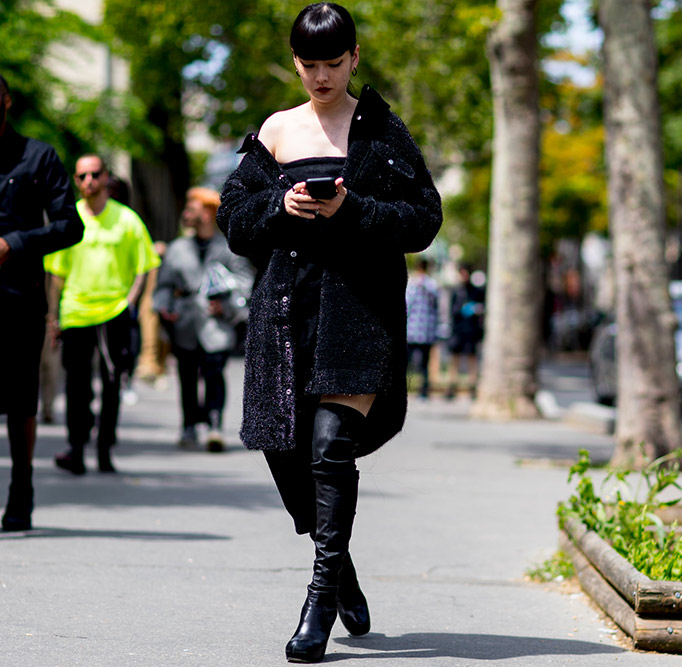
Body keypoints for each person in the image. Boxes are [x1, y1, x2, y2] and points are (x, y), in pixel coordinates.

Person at [217, 3, 441, 662]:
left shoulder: (381, 131)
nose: (320, 76)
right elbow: (235, 221)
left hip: (360, 312)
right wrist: (278, 207)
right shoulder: (277, 130)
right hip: (285, 313)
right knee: (285, 453)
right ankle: (340, 567)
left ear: (355, 58)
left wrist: (353, 209)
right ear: (296, 63)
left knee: (328, 450)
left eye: (332, 63)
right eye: (309, 64)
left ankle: (318, 598)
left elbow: (423, 218)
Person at [0, 73, 84, 531]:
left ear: (7, 101)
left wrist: (15, 242)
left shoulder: (39, 156)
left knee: (19, 401)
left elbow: (71, 226)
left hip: (19, 299)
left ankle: (21, 489)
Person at [44, 154, 161, 475]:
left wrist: (130, 302)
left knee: (112, 384)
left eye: (94, 174)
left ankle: (105, 448)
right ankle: (77, 449)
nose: (88, 182)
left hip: (114, 313)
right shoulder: (70, 220)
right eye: (81, 176)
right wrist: (52, 316)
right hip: (76, 313)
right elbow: (57, 274)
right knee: (77, 388)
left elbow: (144, 266)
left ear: (106, 177)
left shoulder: (127, 220)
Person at [154, 187, 254, 452]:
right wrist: (165, 307)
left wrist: (228, 306)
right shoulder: (177, 248)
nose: (187, 210)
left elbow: (245, 283)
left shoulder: (229, 248)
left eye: (193, 206)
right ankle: (188, 424)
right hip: (184, 322)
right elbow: (163, 285)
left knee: (213, 373)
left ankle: (213, 424)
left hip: (216, 324)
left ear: (208, 213)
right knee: (186, 376)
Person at [446, 264, 485, 399]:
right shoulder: (456, 291)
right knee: (455, 359)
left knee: (471, 359)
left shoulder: (476, 291)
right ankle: (451, 386)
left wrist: (475, 310)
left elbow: (482, 309)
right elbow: (452, 311)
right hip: (458, 330)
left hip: (471, 331)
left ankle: (472, 386)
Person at [405, 258, 439, 399]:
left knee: (407, 361)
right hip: (427, 330)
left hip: (412, 329)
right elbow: (437, 304)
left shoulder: (412, 283)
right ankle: (424, 390)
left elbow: (408, 304)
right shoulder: (433, 285)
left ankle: (405, 388)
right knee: (425, 362)